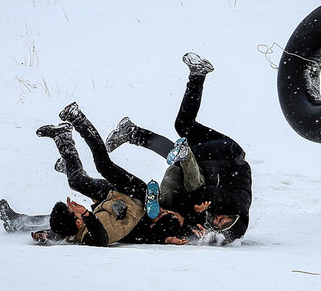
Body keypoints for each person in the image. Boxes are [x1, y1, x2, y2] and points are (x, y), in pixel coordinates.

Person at [105, 52, 252, 244]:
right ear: (235, 217)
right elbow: (204, 194)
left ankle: (197, 75)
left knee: (183, 125)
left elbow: (198, 205)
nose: (218, 220)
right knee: (180, 157)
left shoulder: (218, 218)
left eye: (218, 224)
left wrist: (195, 217)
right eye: (224, 220)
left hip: (213, 161)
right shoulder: (236, 205)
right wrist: (198, 208)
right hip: (228, 153)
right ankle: (132, 133)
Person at [30, 104, 188, 246]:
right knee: (103, 166)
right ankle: (78, 120)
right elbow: (100, 237)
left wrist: (48, 234)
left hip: (114, 196)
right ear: (78, 222)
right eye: (74, 211)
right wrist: (87, 213)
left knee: (78, 182)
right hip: (137, 195)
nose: (76, 208)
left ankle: (63, 137)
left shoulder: (80, 228)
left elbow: (69, 229)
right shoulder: (89, 236)